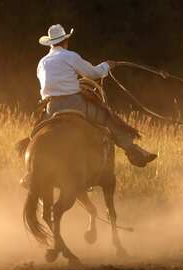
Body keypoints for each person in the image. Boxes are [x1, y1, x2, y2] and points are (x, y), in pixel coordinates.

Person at [19, 24, 157, 187]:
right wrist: (107, 65)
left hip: (51, 107)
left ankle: (30, 173)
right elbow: (93, 73)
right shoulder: (70, 56)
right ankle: (133, 150)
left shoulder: (42, 62)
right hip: (74, 103)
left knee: (36, 133)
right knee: (107, 117)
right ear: (66, 41)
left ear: (50, 43)